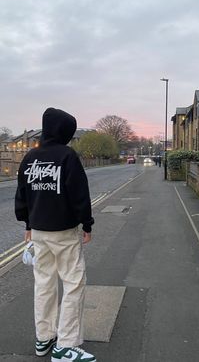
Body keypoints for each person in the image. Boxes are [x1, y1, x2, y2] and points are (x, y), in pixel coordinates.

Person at [15, 107, 96, 362]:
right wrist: (87, 224)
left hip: (38, 231)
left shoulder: (29, 158)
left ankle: (44, 337)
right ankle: (66, 345)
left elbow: (23, 195)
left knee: (44, 283)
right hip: (63, 231)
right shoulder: (67, 156)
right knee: (73, 283)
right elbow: (79, 194)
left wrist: (28, 224)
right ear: (65, 131)